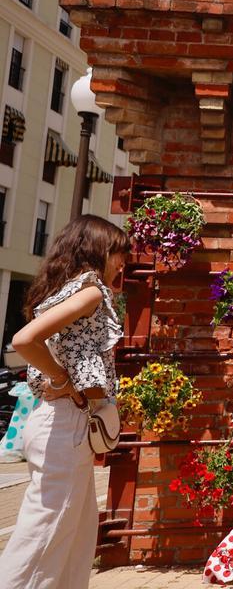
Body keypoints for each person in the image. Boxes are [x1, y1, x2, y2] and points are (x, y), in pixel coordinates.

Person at [0, 214, 129, 588]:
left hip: (57, 423)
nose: (122, 263)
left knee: (74, 537)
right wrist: (63, 379)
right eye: (118, 253)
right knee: (44, 538)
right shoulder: (90, 292)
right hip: (65, 426)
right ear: (97, 251)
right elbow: (24, 341)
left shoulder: (65, 290)